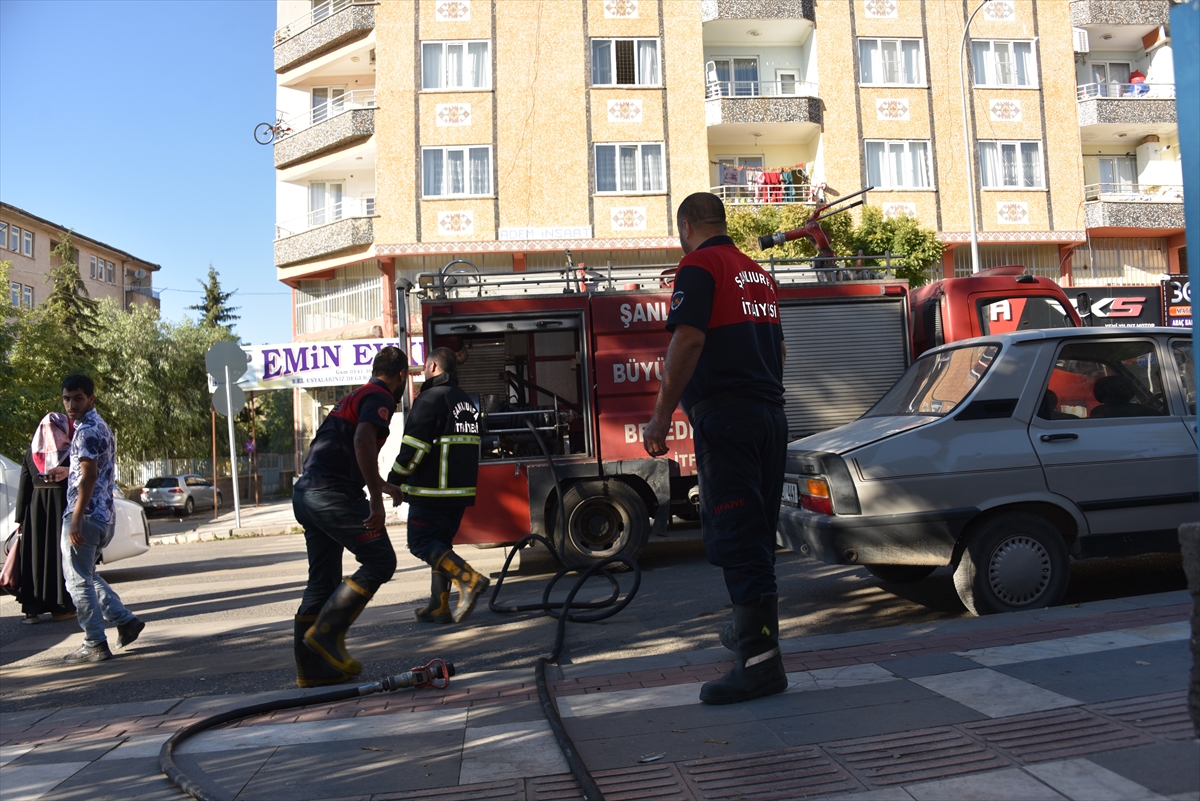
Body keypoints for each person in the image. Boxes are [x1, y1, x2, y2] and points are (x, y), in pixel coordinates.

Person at [643, 192, 789, 705]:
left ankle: (759, 664)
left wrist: (661, 418)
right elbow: (782, 349)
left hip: (728, 418)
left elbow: (688, 340)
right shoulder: (758, 274)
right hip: (771, 413)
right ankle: (754, 640)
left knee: (736, 534)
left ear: (685, 225)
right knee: (757, 534)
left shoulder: (698, 265)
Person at [292, 347, 407, 687]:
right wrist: (375, 499)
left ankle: (310, 670)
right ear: (401, 375)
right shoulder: (379, 396)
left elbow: (345, 448)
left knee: (322, 581)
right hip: (333, 495)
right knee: (381, 561)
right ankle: (326, 636)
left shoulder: (353, 397)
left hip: (308, 494)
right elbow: (362, 439)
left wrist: (380, 483)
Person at [388, 347, 486, 625]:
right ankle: (438, 605)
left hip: (432, 492)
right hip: (459, 493)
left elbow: (414, 449)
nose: (421, 371)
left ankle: (469, 579)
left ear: (432, 367)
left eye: (423, 367)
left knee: (420, 543)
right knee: (440, 545)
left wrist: (393, 479)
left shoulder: (430, 398)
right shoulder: (463, 400)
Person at [59, 374, 145, 663]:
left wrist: (75, 518)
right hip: (103, 515)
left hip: (86, 515)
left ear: (91, 398)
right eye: (67, 398)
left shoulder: (86, 431)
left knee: (77, 581)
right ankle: (125, 621)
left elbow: (89, 476)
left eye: (78, 398)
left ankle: (94, 643)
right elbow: (89, 471)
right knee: (87, 575)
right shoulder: (98, 426)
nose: (71, 404)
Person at [14, 413, 76, 624]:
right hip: (62, 508)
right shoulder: (71, 453)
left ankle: (32, 609)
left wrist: (21, 519)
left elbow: (24, 486)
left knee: (34, 556)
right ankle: (60, 608)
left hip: (35, 510)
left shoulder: (32, 453)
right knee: (58, 556)